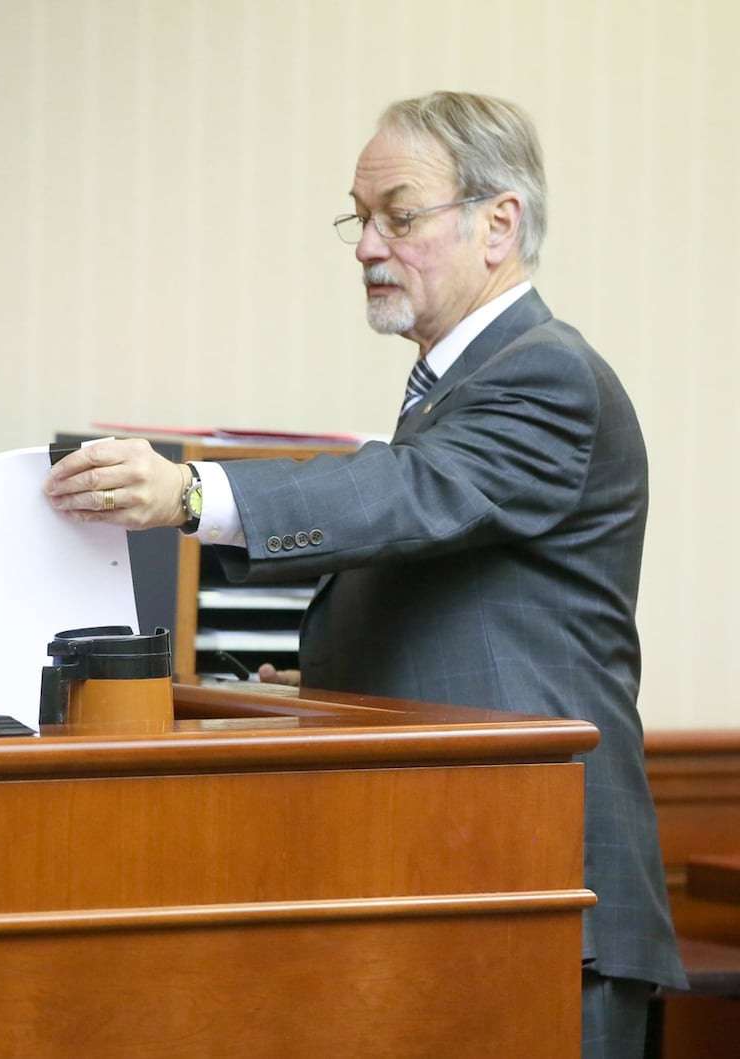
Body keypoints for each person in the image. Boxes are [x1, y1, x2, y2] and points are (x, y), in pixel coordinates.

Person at [44, 91, 683, 1057]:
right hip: (461, 876)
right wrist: (331, 689)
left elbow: (413, 494)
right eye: (360, 215)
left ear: (497, 223)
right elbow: (461, 591)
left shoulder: (547, 373)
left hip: (544, 885)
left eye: (400, 213)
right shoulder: (457, 388)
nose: (367, 246)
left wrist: (190, 494)